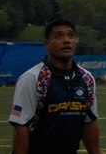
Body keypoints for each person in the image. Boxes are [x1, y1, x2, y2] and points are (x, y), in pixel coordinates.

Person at [9, 17, 100, 154]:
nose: (66, 40)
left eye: (70, 35)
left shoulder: (86, 78)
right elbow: (21, 128)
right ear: (47, 44)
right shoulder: (32, 78)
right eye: (59, 36)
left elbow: (89, 121)